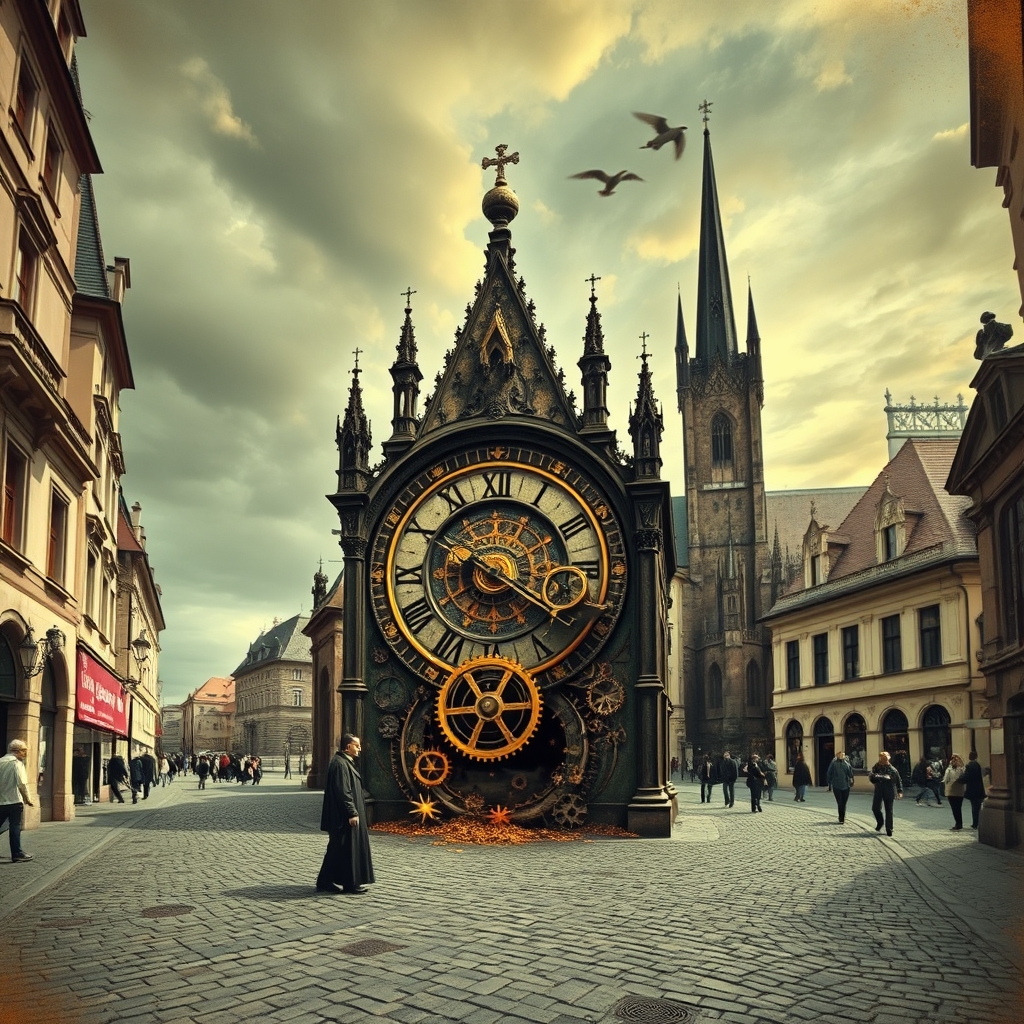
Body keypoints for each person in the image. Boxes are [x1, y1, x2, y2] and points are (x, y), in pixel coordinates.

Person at [316, 734, 375, 895]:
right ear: (348, 747)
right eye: (357, 745)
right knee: (346, 849)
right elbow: (343, 791)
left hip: (341, 816)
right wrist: (352, 813)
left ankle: (325, 881)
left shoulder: (343, 762)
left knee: (337, 849)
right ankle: (349, 884)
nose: (360, 748)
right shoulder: (340, 764)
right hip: (343, 817)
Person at [0, 739, 35, 862]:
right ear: (17, 751)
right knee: (15, 826)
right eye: (24, 751)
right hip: (14, 801)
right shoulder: (17, 763)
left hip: (1, 801)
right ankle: (17, 853)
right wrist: (28, 799)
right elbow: (22, 784)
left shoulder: (1, 761)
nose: (25, 754)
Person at [869, 750, 904, 836]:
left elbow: (898, 780)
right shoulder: (876, 767)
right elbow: (871, 776)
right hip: (879, 790)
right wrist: (875, 777)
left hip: (889, 791)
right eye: (882, 759)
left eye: (885, 759)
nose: (883, 761)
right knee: (875, 808)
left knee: (889, 810)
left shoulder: (892, 769)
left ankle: (889, 828)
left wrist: (900, 791)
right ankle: (880, 822)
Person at [826, 750, 854, 824]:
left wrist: (851, 781)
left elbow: (850, 773)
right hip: (838, 786)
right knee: (841, 802)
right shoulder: (834, 763)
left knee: (842, 802)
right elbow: (829, 773)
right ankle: (841, 817)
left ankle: (842, 817)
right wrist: (830, 783)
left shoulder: (846, 764)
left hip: (844, 785)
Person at [961, 751, 986, 830]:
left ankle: (975, 823)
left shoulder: (970, 765)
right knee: (976, 807)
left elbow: (967, 776)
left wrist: (959, 780)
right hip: (978, 789)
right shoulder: (977, 765)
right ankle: (976, 823)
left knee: (975, 807)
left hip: (973, 790)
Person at [943, 754, 966, 831]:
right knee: (954, 808)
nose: (953, 761)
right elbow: (945, 780)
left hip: (959, 791)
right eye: (952, 759)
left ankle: (959, 823)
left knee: (958, 808)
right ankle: (958, 823)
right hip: (951, 791)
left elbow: (964, 778)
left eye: (955, 759)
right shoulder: (949, 769)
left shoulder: (962, 769)